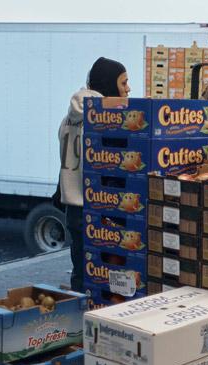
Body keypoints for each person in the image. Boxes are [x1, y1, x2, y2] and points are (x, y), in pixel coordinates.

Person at [58, 57, 130, 292]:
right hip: (99, 207)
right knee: (107, 277)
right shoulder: (105, 119)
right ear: (109, 84)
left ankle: (78, 312)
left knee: (81, 273)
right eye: (123, 83)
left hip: (73, 209)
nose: (128, 89)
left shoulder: (68, 119)